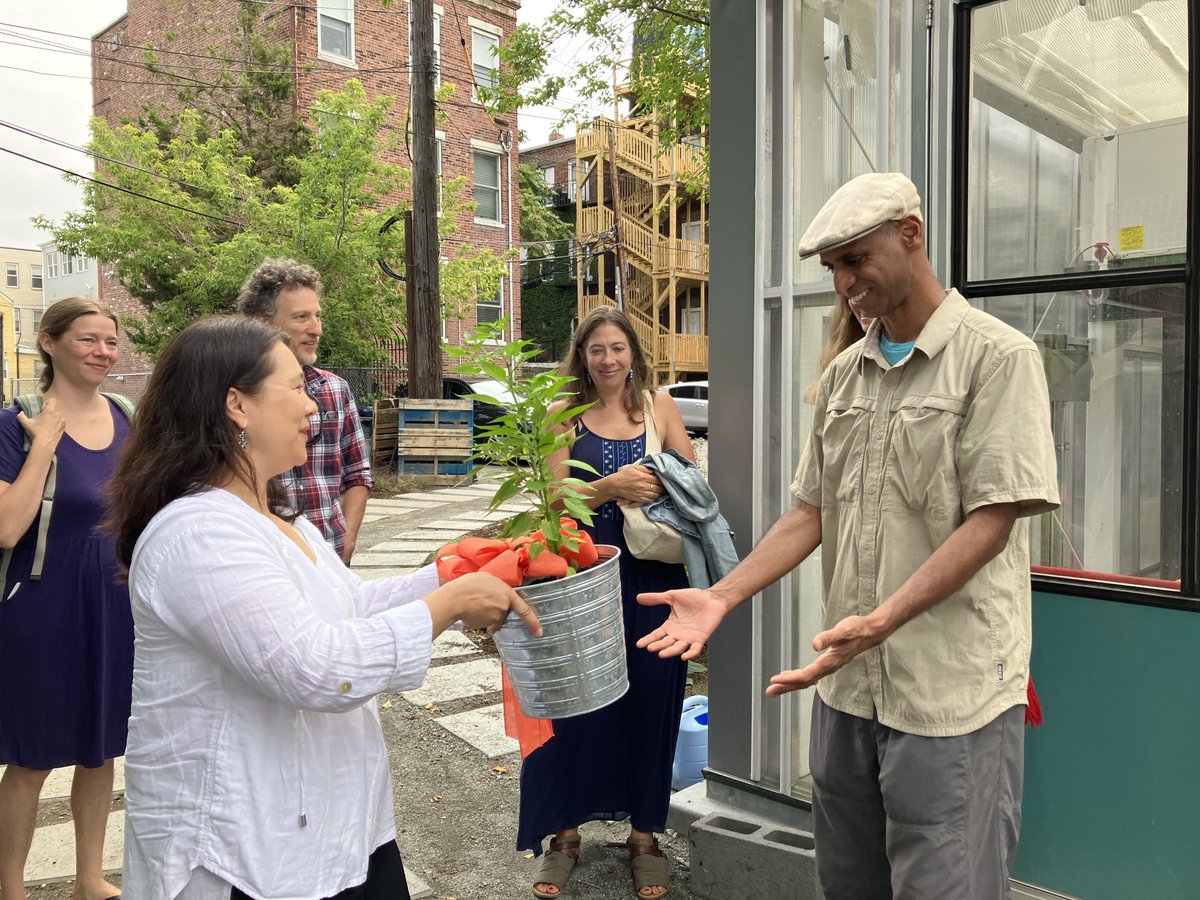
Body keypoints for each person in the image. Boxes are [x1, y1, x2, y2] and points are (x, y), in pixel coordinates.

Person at [638, 172, 1060, 899]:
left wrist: (887, 618)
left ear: (911, 234)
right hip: (847, 692)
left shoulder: (998, 359)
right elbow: (811, 511)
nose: (842, 283)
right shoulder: (845, 378)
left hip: (947, 696)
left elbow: (992, 521)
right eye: (832, 267)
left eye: (855, 260)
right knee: (848, 885)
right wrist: (723, 595)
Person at [107, 316, 541, 900]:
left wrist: (448, 574)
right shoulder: (197, 534)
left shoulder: (285, 524)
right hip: (243, 844)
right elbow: (316, 666)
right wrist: (450, 603)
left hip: (335, 822)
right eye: (294, 388)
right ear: (237, 404)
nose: (314, 406)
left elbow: (348, 607)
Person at [520, 306, 695, 900]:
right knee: (580, 701)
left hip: (653, 576)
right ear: (582, 357)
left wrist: (661, 479)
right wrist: (607, 488)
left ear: (634, 353)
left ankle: (645, 835)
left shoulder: (659, 407)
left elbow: (694, 486)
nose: (609, 359)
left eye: (618, 348)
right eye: (597, 349)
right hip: (585, 578)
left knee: (653, 695)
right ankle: (564, 835)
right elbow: (550, 505)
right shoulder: (560, 416)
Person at [0, 297, 132, 900]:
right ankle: (10, 887)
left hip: (116, 603)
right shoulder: (15, 421)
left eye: (109, 341)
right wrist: (46, 443)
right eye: (87, 339)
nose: (102, 352)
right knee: (32, 757)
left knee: (100, 749)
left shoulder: (129, 416)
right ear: (49, 343)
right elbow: (6, 528)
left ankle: (88, 877)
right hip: (42, 606)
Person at [237, 258, 372, 564]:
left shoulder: (334, 390)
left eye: (318, 316)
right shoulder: (235, 398)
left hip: (333, 558)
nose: (317, 329)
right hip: (271, 563)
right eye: (301, 317)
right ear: (262, 322)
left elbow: (358, 474)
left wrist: (347, 542)